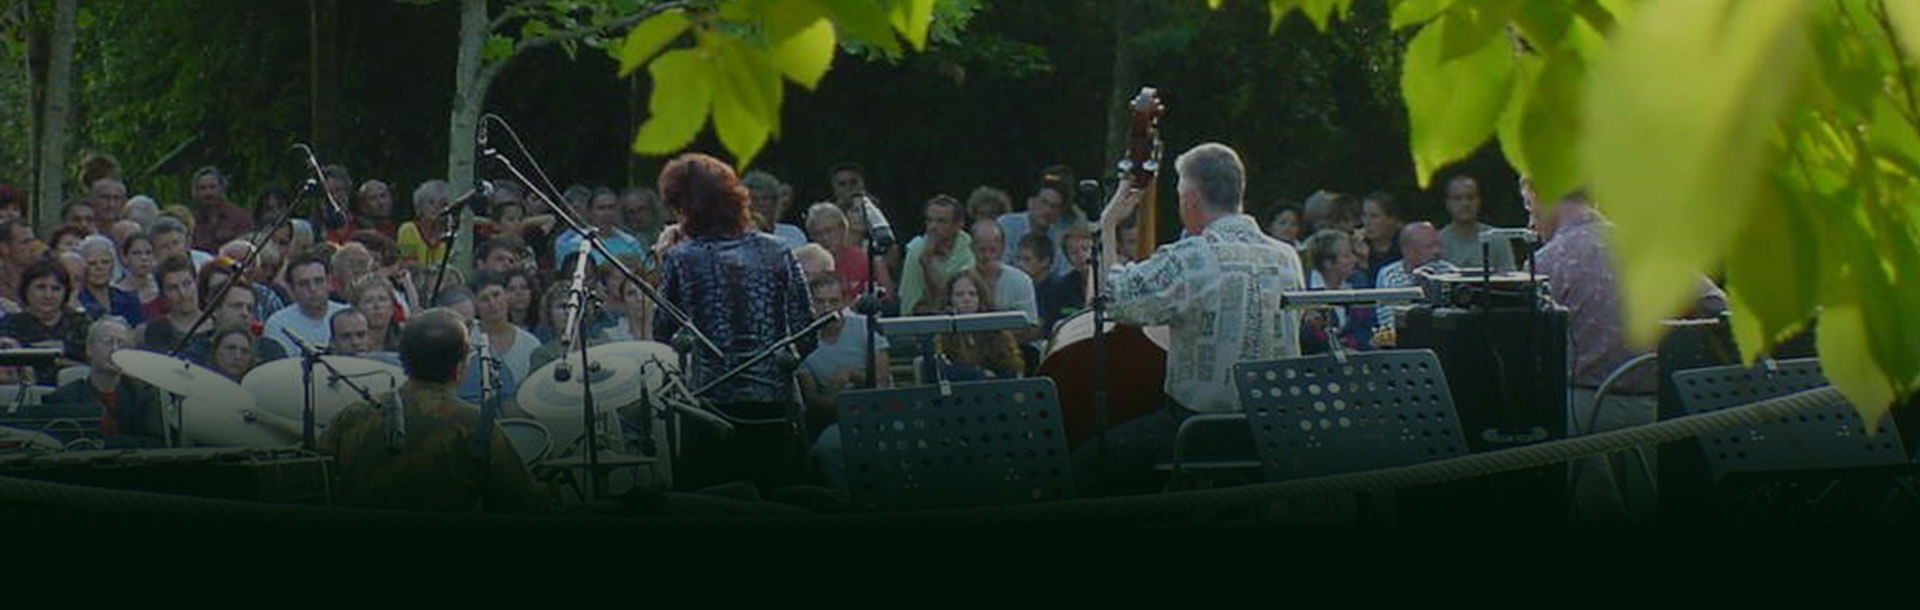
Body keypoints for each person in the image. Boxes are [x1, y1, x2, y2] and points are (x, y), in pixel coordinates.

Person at [1076, 142, 1304, 495]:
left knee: (1085, 467)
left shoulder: (1191, 258)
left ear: (1191, 198)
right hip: (1273, 430)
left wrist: (1107, 224)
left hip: (1199, 432)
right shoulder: (1288, 257)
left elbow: (1104, 299)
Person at [1529, 182, 1726, 523]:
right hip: (1656, 409)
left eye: (1530, 208)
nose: (1531, 223)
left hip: (1582, 412)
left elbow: (1529, 346)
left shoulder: (1547, 261)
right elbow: (1717, 306)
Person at [653, 153, 815, 493]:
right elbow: (806, 331)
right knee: (784, 503)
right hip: (777, 403)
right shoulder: (779, 250)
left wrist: (660, 261)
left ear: (686, 208)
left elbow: (663, 332)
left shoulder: (681, 258)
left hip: (711, 406)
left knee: (717, 508)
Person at [316, 308, 558, 513]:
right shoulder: (475, 425)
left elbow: (312, 477)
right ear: (460, 368)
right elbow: (525, 503)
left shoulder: (354, 415)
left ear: (403, 361)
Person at [799, 273, 890, 489]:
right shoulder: (802, 339)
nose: (827, 308)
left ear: (845, 302)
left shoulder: (865, 327)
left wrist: (852, 374)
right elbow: (811, 398)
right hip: (835, 418)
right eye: (820, 302)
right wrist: (838, 404)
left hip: (877, 412)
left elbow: (883, 381)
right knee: (826, 448)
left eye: (833, 301)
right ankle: (846, 500)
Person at [43, 317, 165, 447]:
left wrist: (101, 444)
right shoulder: (63, 398)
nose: (115, 349)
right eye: (107, 342)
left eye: (122, 344)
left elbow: (155, 442)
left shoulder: (145, 395)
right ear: (89, 348)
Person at [2, 260, 90, 382]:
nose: (48, 295)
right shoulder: (10, 324)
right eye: (40, 287)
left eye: (56, 289)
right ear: (26, 290)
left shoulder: (81, 323)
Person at [931, 270, 1024, 381]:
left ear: (981, 298)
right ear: (950, 299)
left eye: (972, 294)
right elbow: (940, 371)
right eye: (959, 295)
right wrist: (979, 374)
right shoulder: (940, 331)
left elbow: (1011, 367)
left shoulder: (997, 328)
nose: (967, 299)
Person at [1299, 229, 1375, 354]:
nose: (1354, 260)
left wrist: (1351, 344)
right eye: (1346, 256)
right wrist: (1337, 347)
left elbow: (1367, 325)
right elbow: (1304, 336)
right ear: (1328, 263)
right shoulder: (1304, 287)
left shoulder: (1358, 280)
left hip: (1357, 357)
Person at [896, 195, 975, 315]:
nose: (932, 227)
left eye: (941, 221)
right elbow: (909, 305)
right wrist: (925, 261)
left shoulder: (967, 247)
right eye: (929, 220)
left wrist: (927, 263)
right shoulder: (916, 250)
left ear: (958, 225)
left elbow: (950, 298)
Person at [263, 249, 351, 356]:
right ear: (291, 289)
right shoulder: (278, 324)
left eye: (318, 281)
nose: (313, 289)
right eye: (304, 284)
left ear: (329, 282)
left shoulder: (348, 315)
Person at [804, 202, 889, 302]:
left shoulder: (864, 261)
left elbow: (887, 299)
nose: (825, 238)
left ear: (843, 229)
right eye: (818, 233)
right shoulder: (805, 265)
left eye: (830, 231)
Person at [468, 271, 539, 384]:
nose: (492, 303)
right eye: (484, 299)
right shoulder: (467, 338)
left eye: (496, 295)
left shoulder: (531, 344)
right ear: (475, 306)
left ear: (506, 296)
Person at [551, 187, 646, 269]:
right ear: (589, 212)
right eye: (601, 208)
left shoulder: (631, 242)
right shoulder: (571, 244)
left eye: (611, 207)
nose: (607, 213)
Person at [1438, 174, 1518, 271]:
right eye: (1457, 198)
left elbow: (1510, 280)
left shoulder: (1497, 239)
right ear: (1448, 204)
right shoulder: (1437, 242)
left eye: (1470, 197)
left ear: (1479, 201)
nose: (1465, 204)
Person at [997, 180, 1074, 277]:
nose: (1047, 210)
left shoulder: (1059, 236)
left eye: (1054, 207)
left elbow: (1064, 272)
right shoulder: (1007, 224)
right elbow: (1000, 264)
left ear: (1059, 214)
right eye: (1044, 202)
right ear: (1031, 202)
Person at [1036, 221, 1094, 333]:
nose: (1081, 256)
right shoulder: (1060, 287)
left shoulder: (1112, 280)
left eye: (1086, 249)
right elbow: (1051, 324)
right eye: (1074, 252)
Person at [74, 235, 145, 325]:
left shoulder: (129, 300)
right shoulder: (78, 301)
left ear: (113, 265)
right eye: (92, 263)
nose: (99, 267)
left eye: (105, 262)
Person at [189, 166, 254, 253]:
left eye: (212, 187)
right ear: (195, 192)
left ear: (222, 189)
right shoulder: (191, 220)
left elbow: (247, 248)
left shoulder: (239, 217)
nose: (208, 193)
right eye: (202, 188)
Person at [743, 170, 807, 249]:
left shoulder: (793, 234)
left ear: (775, 202)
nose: (760, 204)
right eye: (754, 199)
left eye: (765, 198)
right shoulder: (738, 238)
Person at [397, 180, 452, 267]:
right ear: (420, 206)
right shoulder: (407, 230)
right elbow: (408, 265)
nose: (436, 207)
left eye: (443, 204)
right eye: (431, 202)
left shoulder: (452, 234)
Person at [1360, 190, 1405, 280]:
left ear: (1391, 219)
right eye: (1364, 215)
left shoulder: (1405, 245)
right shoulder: (1357, 247)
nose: (1367, 222)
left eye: (1374, 216)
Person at [114, 232, 158, 305]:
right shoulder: (116, 293)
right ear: (124, 257)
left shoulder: (161, 285)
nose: (144, 258)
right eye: (137, 253)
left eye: (148, 253)